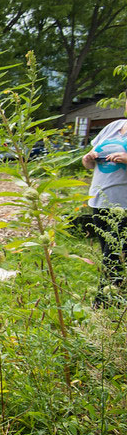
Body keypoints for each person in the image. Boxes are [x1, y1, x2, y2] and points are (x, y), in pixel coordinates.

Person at [82, 102, 127, 307]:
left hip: (123, 203)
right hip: (99, 198)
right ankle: (118, 297)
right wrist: (89, 157)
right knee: (108, 251)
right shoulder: (114, 126)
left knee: (114, 254)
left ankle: (101, 305)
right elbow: (88, 162)